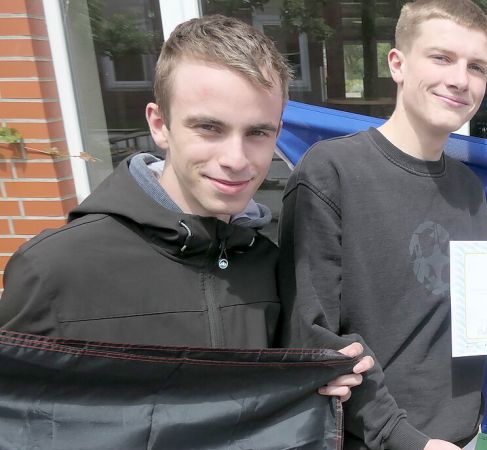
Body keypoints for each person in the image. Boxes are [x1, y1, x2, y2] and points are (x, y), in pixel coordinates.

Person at [275, 2, 487, 450]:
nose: (459, 80)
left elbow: (472, 313)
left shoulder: (468, 189)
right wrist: (410, 441)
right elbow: (312, 332)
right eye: (441, 58)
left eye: (476, 67)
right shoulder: (331, 171)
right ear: (397, 63)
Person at [0, 15, 368, 400]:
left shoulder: (269, 264)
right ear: (160, 125)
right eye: (209, 128)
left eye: (258, 132)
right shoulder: (55, 270)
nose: (236, 159)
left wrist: (313, 383)